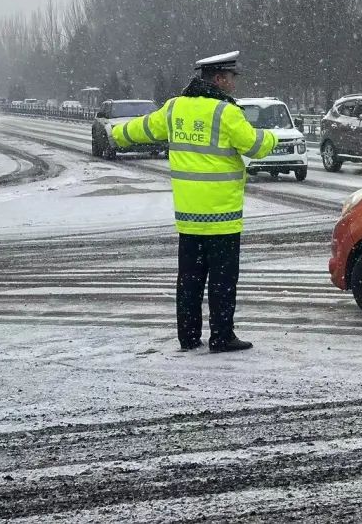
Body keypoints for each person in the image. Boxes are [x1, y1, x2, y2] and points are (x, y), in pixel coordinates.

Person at [111, 51, 276, 353]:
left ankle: (188, 336)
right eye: (231, 78)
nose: (234, 84)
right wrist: (273, 138)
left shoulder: (175, 108)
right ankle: (222, 336)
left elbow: (144, 127)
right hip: (222, 215)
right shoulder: (226, 113)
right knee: (222, 281)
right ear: (217, 79)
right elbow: (254, 146)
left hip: (188, 216)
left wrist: (118, 133)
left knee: (189, 279)